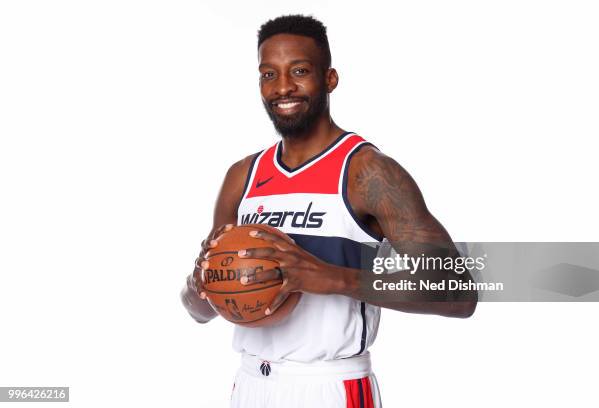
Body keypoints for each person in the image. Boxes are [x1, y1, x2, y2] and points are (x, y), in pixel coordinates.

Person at [181, 14, 478, 408]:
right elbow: (198, 309)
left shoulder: (367, 172)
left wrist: (331, 278)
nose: (283, 86)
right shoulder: (243, 177)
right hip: (250, 384)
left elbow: (457, 293)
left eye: (299, 71)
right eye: (268, 74)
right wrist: (204, 283)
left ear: (330, 79)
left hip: (329, 387)